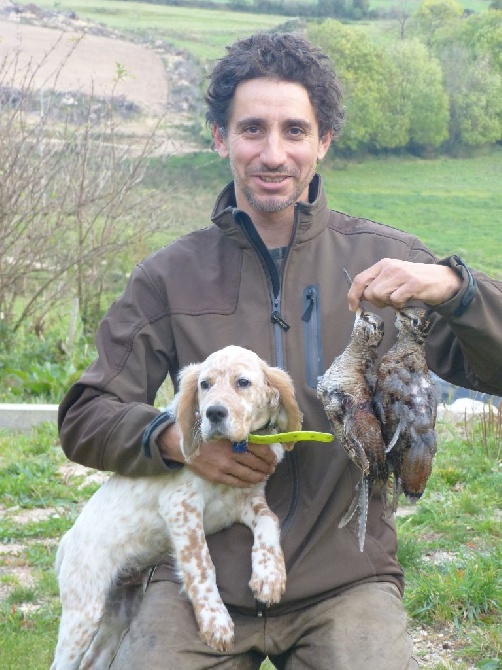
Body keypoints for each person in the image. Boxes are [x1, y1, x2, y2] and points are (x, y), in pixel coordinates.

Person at [58, 32, 502, 670]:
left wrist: (457, 288)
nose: (273, 153)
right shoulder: (168, 276)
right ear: (220, 139)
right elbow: (84, 414)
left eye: (295, 130)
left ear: (323, 142)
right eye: (251, 130)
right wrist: (169, 437)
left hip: (343, 581)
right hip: (197, 579)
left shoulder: (386, 263)